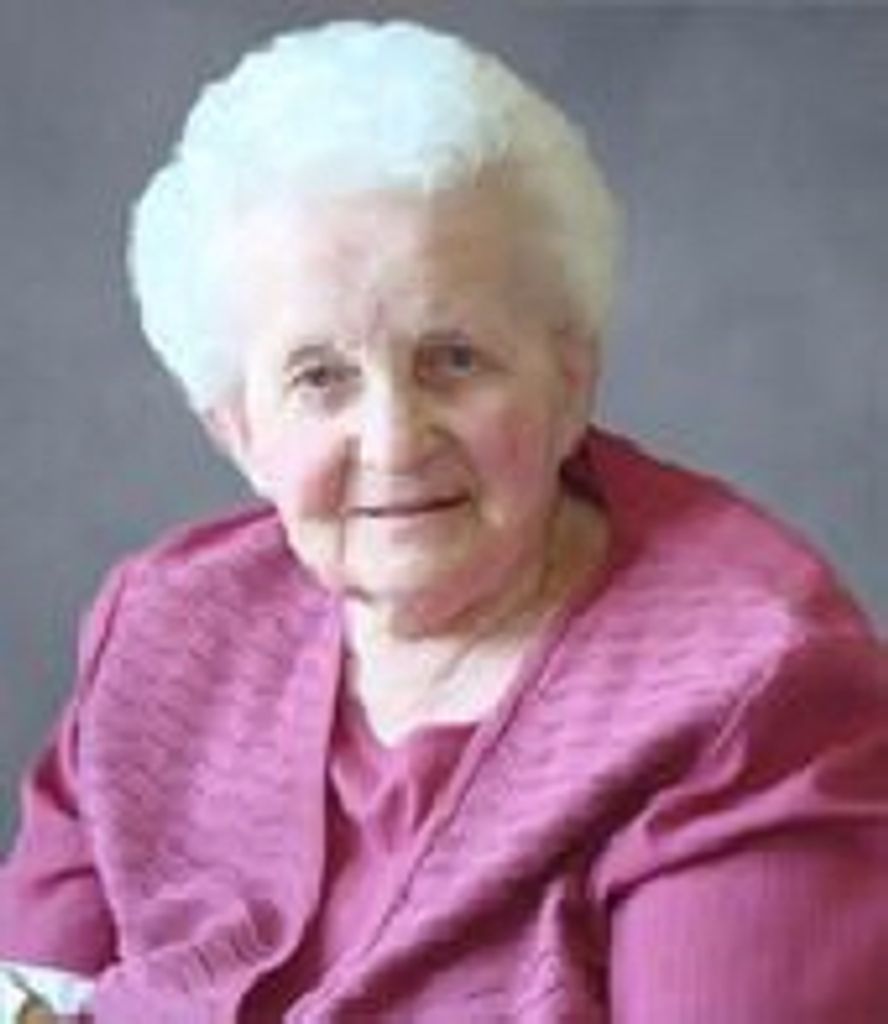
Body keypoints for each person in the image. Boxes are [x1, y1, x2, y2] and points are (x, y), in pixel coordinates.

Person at [0, 19, 885, 1024]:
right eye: (320, 377)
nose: (393, 440)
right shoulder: (164, 626)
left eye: (454, 359)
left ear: (570, 375)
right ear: (238, 427)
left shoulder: (749, 690)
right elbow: (28, 993)